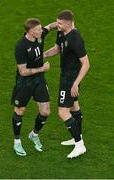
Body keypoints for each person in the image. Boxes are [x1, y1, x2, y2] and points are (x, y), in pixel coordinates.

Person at [44, 10, 90, 158]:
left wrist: (76, 84)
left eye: (59, 23)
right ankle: (78, 138)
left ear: (69, 24)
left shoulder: (76, 39)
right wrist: (43, 55)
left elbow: (86, 64)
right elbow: (57, 49)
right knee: (74, 106)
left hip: (71, 79)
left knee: (63, 112)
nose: (56, 25)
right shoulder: (61, 32)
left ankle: (79, 145)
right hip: (66, 75)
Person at [11, 18, 57, 156]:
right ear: (30, 31)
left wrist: (64, 25)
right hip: (24, 82)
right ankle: (17, 142)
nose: (41, 30)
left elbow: (51, 26)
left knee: (45, 112)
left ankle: (34, 134)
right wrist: (42, 68)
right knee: (20, 110)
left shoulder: (39, 34)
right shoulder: (21, 46)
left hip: (39, 80)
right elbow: (23, 71)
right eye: (38, 29)